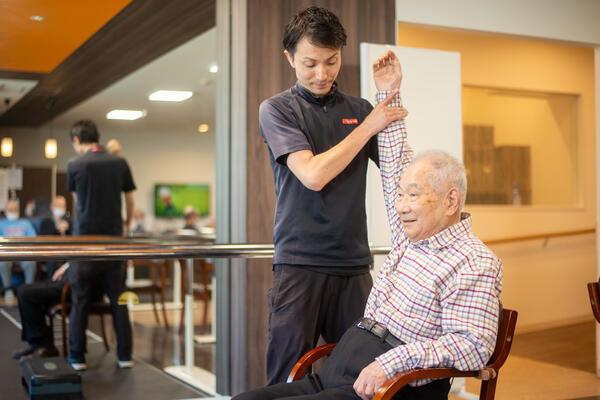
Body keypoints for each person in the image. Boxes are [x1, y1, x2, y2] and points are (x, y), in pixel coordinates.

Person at [233, 51, 503, 400]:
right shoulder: (411, 238)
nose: (401, 205)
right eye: (401, 195)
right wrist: (388, 91)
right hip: (343, 367)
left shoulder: (474, 262)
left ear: (451, 201)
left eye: (413, 195)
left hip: (383, 387)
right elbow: (394, 166)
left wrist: (390, 364)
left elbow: (473, 346)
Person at [258, 6, 408, 384]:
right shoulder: (277, 109)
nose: (322, 74)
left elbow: (398, 171)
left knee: (358, 380)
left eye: (331, 61)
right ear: (290, 58)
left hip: (354, 266)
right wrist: (370, 123)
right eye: (310, 63)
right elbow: (312, 174)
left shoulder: (359, 109)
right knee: (286, 378)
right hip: (299, 265)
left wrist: (389, 95)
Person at [67, 119, 136, 371]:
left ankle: (77, 357)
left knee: (80, 300)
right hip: (114, 241)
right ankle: (125, 355)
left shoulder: (74, 164)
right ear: (98, 136)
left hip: (84, 242)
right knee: (119, 299)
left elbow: (78, 205)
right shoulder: (119, 162)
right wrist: (126, 224)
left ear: (76, 140)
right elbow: (130, 199)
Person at [11, 264, 70, 360]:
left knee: (26, 294)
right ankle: (37, 344)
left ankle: (44, 346)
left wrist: (65, 268)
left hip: (73, 284)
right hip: (64, 278)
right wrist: (64, 268)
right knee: (23, 289)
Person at [0, 199, 37, 303]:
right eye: (10, 209)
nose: (13, 211)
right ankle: (8, 290)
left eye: (15, 209)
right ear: (6, 211)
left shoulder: (25, 223)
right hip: (6, 253)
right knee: (2, 262)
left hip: (23, 253)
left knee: (31, 262)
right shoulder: (1, 224)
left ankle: (28, 290)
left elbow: (33, 239)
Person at [38, 195, 72, 279]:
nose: (60, 208)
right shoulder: (45, 223)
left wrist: (68, 228)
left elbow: (75, 238)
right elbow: (43, 240)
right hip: (51, 253)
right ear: (52, 207)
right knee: (53, 262)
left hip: (68, 253)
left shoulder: (70, 222)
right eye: (58, 205)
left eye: (62, 206)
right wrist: (56, 228)